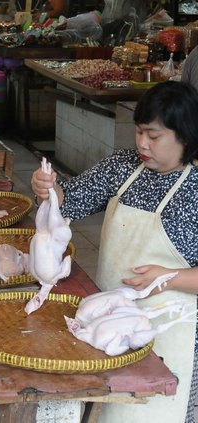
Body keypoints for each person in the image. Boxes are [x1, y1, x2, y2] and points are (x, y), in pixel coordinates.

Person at [31, 80, 198, 423]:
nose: (142, 143)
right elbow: (69, 201)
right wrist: (47, 190)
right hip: (108, 322)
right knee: (109, 409)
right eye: (139, 132)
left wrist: (168, 278)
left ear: (185, 135)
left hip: (171, 329)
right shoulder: (123, 167)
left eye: (154, 136)